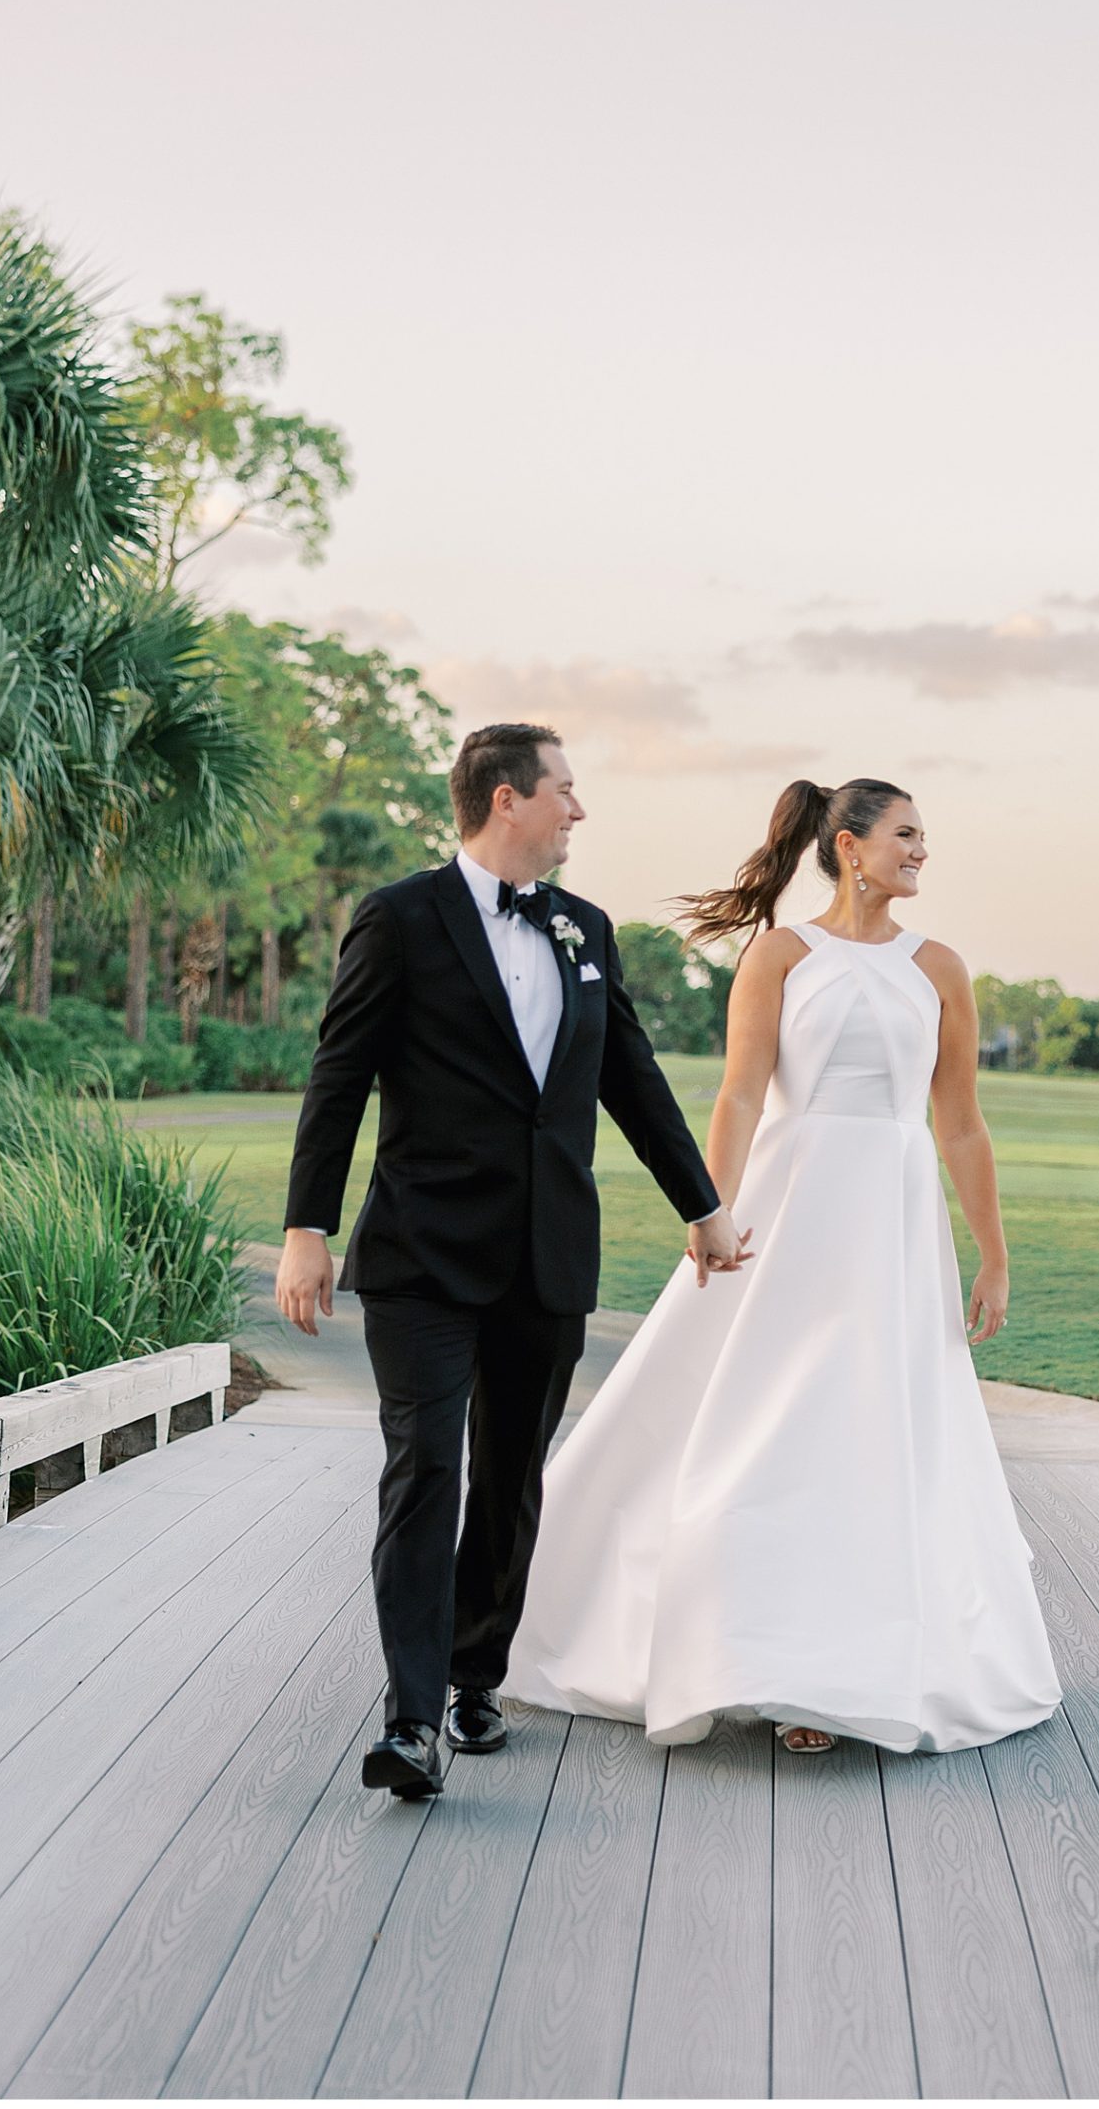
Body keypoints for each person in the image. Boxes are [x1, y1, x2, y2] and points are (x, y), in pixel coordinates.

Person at [503, 776, 1063, 1757]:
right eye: (907, 835)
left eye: (925, 837)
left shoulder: (941, 969)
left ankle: (838, 1678)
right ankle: (727, 1650)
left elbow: (962, 1125)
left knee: (867, 1435)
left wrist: (994, 1255)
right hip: (781, 1215)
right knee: (758, 1429)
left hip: (891, 1225)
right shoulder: (778, 955)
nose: (922, 852)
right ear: (850, 845)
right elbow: (741, 1097)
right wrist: (711, 1208)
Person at [277, 723, 747, 1800]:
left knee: (509, 1485)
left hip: (546, 1258)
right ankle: (410, 1719)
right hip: (421, 1256)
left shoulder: (585, 928)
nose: (579, 811)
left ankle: (475, 1671)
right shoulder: (400, 918)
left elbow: (630, 1076)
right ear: (506, 799)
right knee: (425, 1468)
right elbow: (339, 1072)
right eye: (566, 791)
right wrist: (307, 1224)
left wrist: (705, 1207)